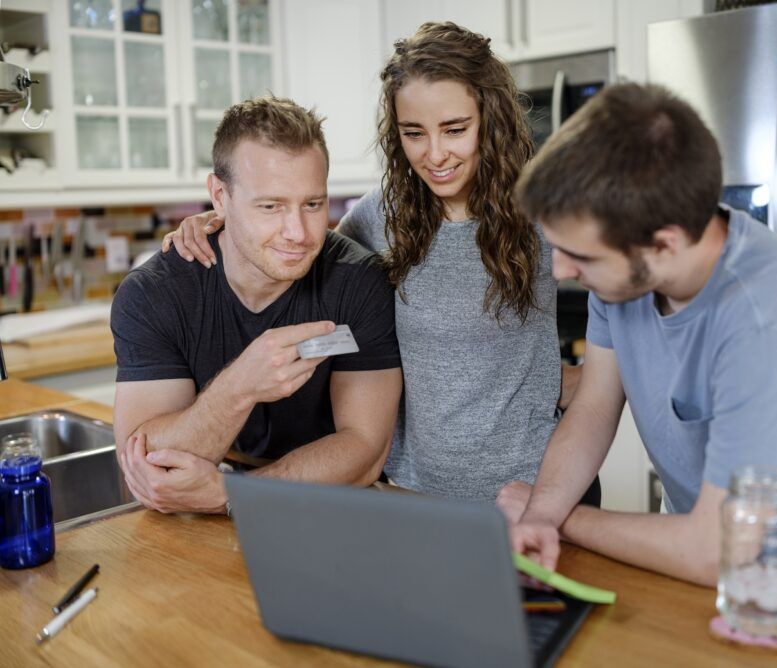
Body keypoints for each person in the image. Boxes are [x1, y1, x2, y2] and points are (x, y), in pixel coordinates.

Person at [500, 82, 777, 619]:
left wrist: (560, 519)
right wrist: (541, 512)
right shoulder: (622, 277)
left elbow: (717, 551)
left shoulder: (767, 315)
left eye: (579, 257)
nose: (560, 272)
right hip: (695, 527)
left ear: (664, 243)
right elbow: (593, 406)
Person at [162, 22, 595, 504]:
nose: (434, 155)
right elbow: (301, 251)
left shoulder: (548, 209)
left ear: (490, 119)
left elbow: (635, 323)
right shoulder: (383, 213)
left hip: (532, 494)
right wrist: (221, 221)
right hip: (409, 494)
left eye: (455, 129)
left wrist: (571, 384)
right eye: (414, 133)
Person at [112, 97, 403, 515]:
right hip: (193, 518)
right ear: (220, 196)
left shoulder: (357, 283)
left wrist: (235, 494)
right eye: (270, 206)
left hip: (329, 506)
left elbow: (365, 449)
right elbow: (148, 462)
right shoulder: (155, 294)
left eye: (313, 204)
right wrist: (240, 386)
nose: (298, 233)